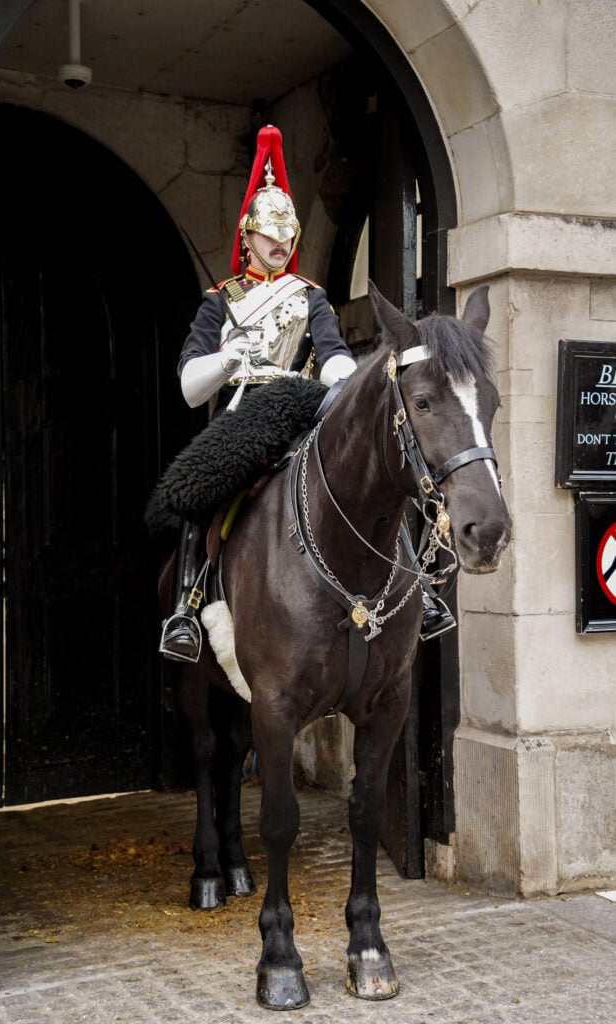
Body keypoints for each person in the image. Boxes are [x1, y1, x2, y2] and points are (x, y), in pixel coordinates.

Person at [160, 125, 453, 662]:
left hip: (302, 403)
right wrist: (227, 356)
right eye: (270, 233)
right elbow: (187, 385)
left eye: (288, 234)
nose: (282, 243)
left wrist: (339, 378)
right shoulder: (218, 302)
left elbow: (332, 350)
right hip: (243, 412)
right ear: (247, 235)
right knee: (199, 491)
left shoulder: (311, 296)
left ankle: (424, 592)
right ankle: (187, 604)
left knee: (381, 474)